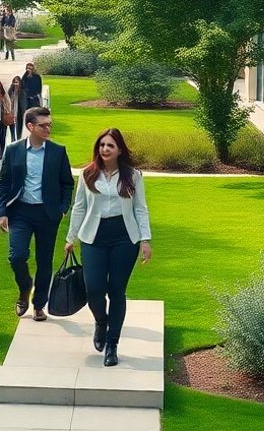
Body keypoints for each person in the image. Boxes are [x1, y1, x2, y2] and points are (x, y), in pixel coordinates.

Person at [63, 128, 152, 366]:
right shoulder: (87, 174)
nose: (105, 149)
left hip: (124, 238)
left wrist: (145, 240)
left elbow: (140, 209)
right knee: (94, 290)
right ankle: (100, 322)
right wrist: (70, 238)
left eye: (110, 145)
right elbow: (79, 207)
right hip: (94, 238)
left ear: (119, 150)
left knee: (116, 291)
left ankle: (112, 344)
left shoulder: (133, 176)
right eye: (102, 145)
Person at [0, 107, 75, 321]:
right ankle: (24, 288)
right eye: (43, 125)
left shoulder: (58, 151)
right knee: (17, 256)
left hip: (48, 214)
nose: (48, 128)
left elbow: (67, 183)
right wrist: (2, 212)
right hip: (20, 212)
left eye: (50, 124)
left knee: (44, 261)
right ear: (30, 126)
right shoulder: (13, 150)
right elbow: (3, 183)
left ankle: (39, 305)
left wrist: (63, 209)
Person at [21, 62, 44, 129]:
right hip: (27, 99)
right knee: (28, 114)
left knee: (36, 113)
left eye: (30, 67)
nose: (29, 69)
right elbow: (22, 86)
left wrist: (39, 97)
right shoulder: (25, 76)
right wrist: (26, 75)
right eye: (27, 67)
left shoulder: (37, 77)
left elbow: (39, 89)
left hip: (34, 98)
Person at [6, 76, 23, 142]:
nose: (15, 84)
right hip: (11, 113)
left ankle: (19, 140)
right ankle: (13, 140)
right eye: (14, 82)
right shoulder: (11, 91)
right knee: (12, 128)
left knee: (19, 129)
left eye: (17, 82)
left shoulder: (22, 92)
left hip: (19, 113)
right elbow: (7, 100)